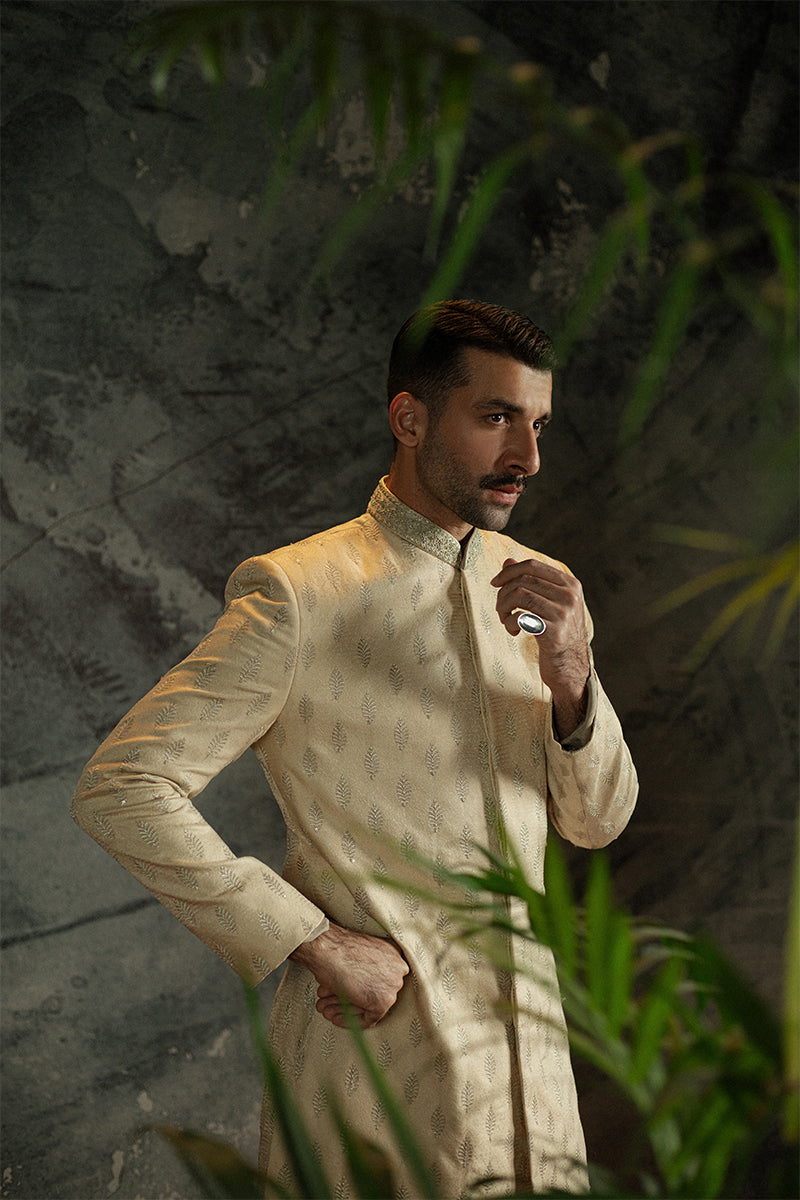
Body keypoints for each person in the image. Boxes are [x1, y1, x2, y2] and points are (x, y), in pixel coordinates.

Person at [72, 299, 638, 1198]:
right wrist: (311, 939)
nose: (527, 458)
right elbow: (124, 785)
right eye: (496, 417)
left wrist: (571, 670)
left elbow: (597, 821)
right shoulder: (300, 594)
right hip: (379, 1071)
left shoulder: (544, 594)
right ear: (410, 419)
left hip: (534, 1084)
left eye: (538, 424)